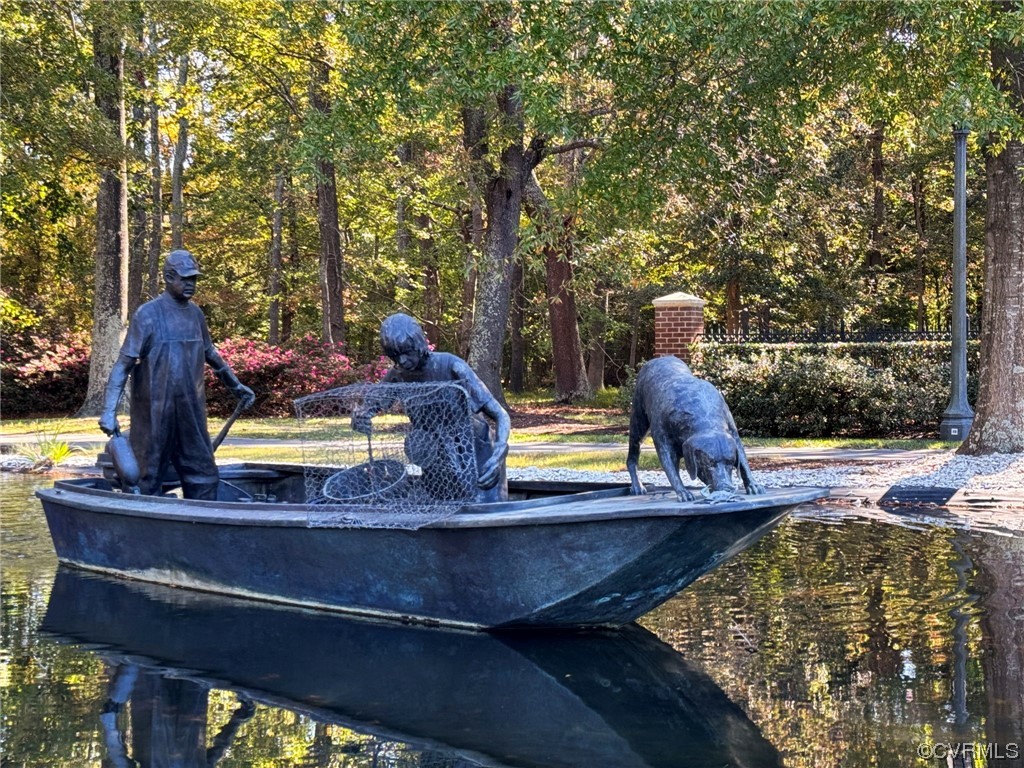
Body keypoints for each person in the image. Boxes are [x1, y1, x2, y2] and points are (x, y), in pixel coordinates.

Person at [98, 250, 254, 500]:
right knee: (148, 476)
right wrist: (108, 411)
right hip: (154, 413)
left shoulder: (195, 314)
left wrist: (235, 386)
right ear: (169, 277)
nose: (191, 284)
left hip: (190, 411)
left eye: (194, 279)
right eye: (186, 278)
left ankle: (202, 527)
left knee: (204, 475)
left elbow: (210, 353)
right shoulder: (147, 315)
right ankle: (147, 528)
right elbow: (123, 365)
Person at [353, 313, 510, 503]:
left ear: (419, 344)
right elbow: (366, 410)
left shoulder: (452, 365)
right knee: (444, 512)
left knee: (485, 509)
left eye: (407, 352)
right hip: (437, 464)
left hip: (477, 456)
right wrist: (359, 418)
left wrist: (499, 453)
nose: (402, 361)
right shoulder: (397, 375)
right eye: (395, 356)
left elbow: (500, 415)